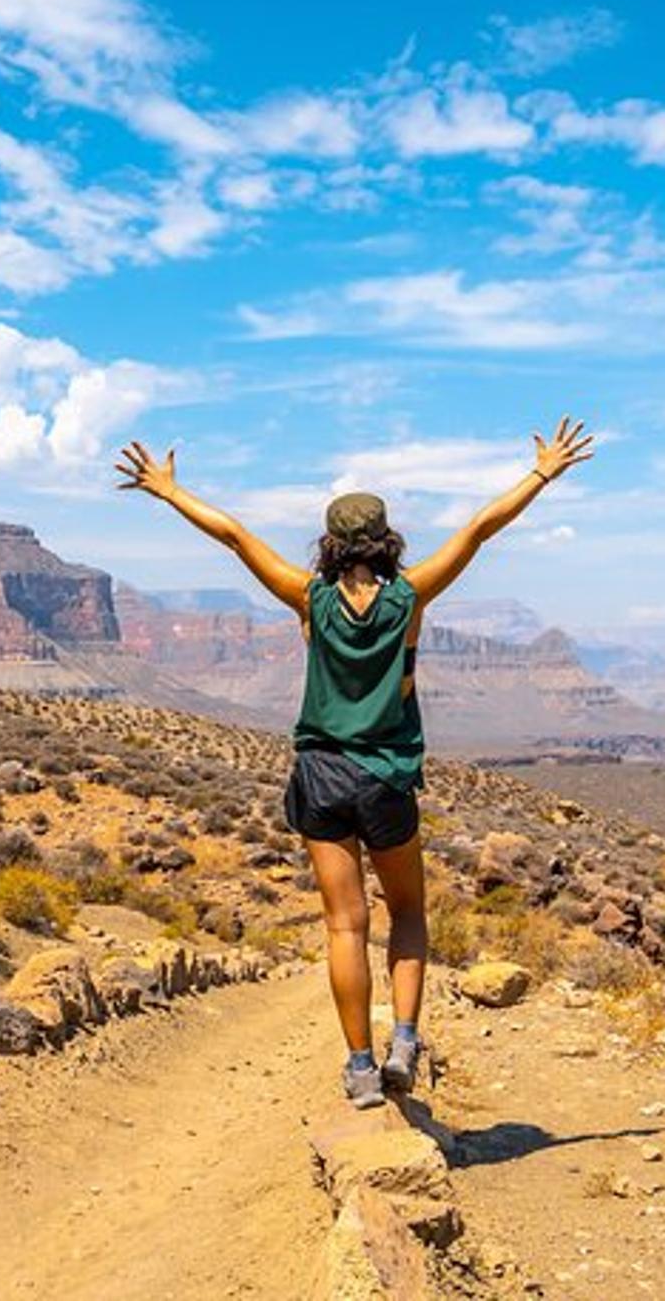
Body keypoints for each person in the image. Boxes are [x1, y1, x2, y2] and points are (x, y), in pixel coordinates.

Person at [114, 418, 596, 1107]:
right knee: (407, 913)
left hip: (321, 777)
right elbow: (481, 528)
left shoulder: (308, 597)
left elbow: (232, 534)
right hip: (386, 775)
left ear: (332, 545)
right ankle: (405, 1037)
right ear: (387, 538)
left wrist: (168, 490)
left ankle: (362, 1067)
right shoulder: (411, 597)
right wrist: (543, 473)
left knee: (345, 925)